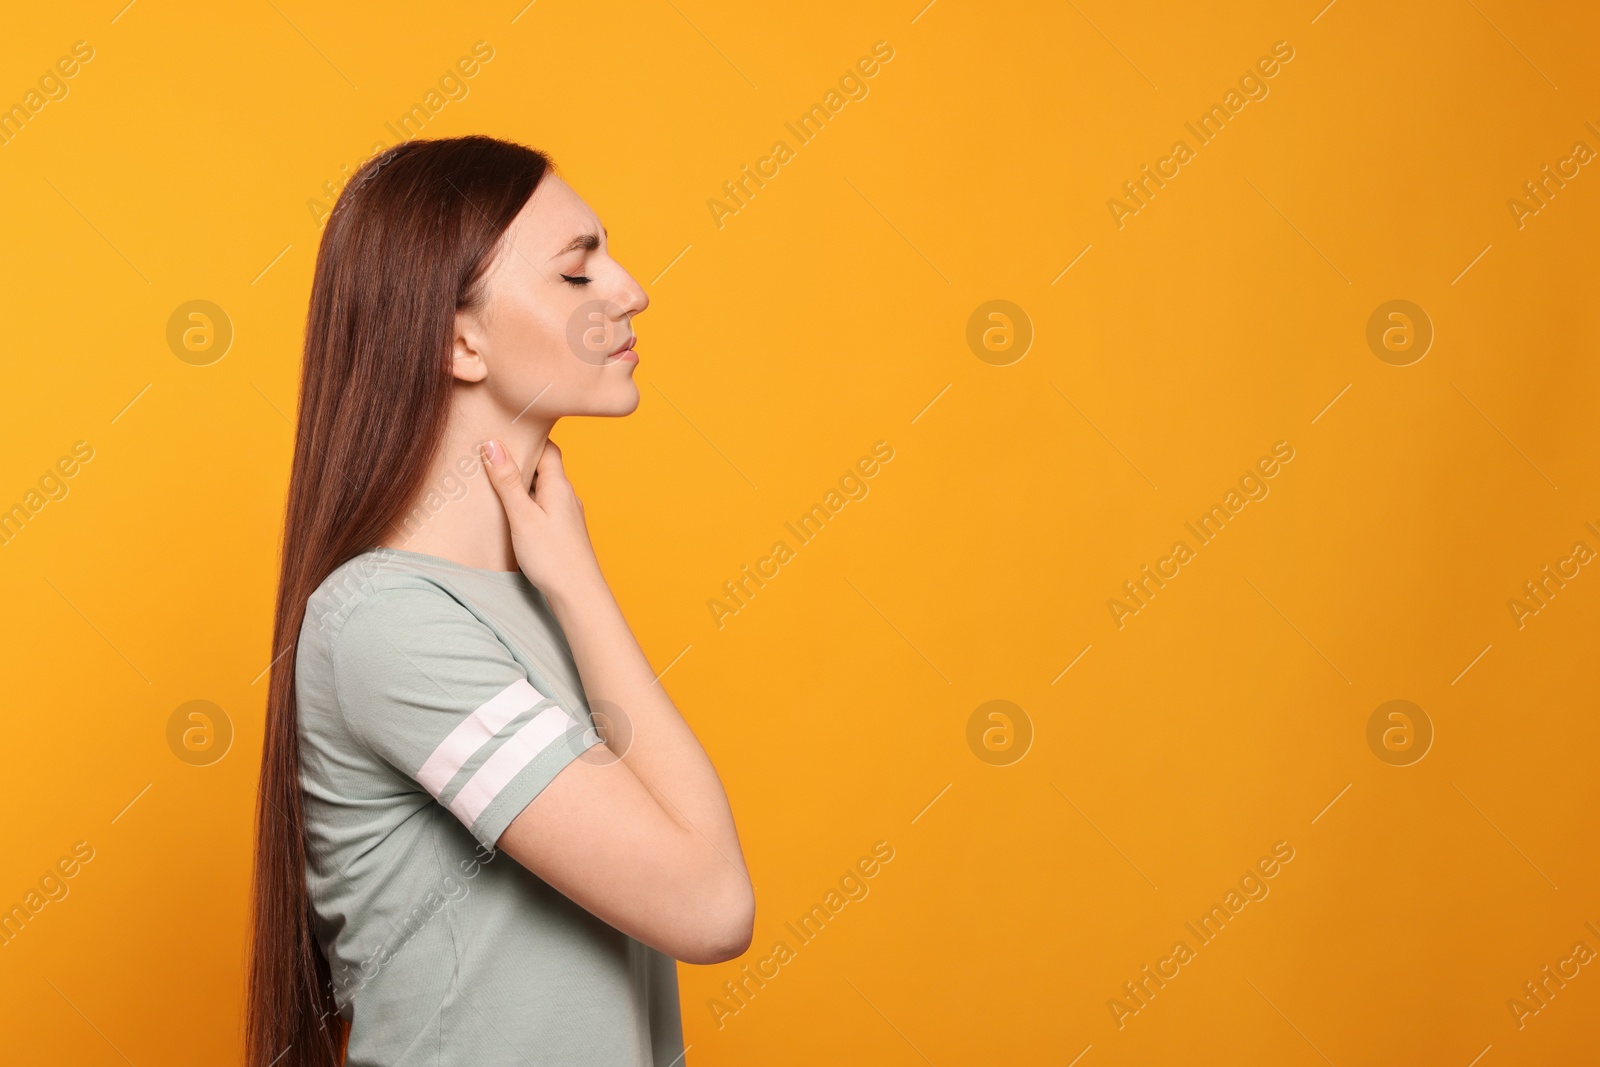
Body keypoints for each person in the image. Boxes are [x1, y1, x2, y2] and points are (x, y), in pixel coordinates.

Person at [247, 134, 754, 1067]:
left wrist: (569, 581)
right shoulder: (386, 626)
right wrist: (584, 587)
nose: (630, 289)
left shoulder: (528, 597)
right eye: (577, 271)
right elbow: (711, 905)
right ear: (460, 340)